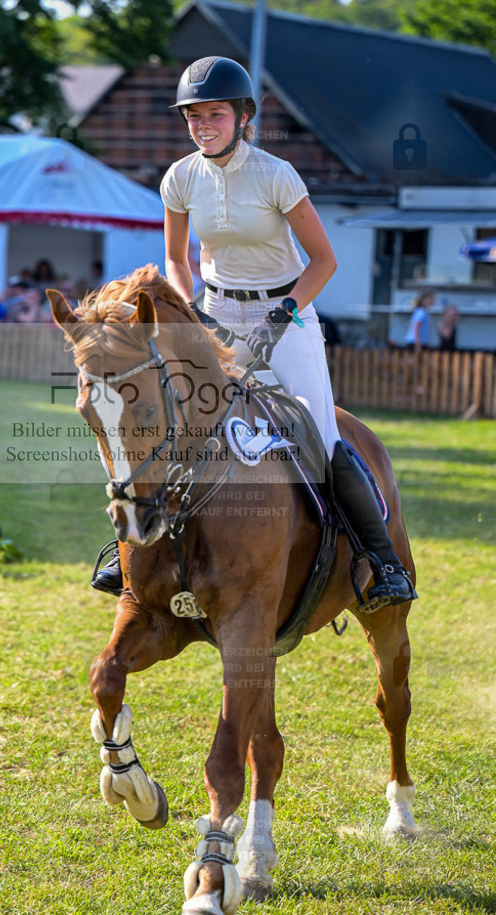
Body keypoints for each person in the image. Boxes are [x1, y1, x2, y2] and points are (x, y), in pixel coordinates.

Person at [92, 55, 416, 614]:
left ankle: (380, 561)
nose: (202, 126)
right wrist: (194, 311)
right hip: (216, 315)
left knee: (321, 436)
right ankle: (131, 552)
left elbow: (324, 260)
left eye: (214, 114)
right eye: (193, 117)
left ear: (243, 117)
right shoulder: (180, 177)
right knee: (175, 421)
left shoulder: (275, 174)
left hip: (287, 313)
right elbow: (176, 258)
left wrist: (282, 315)